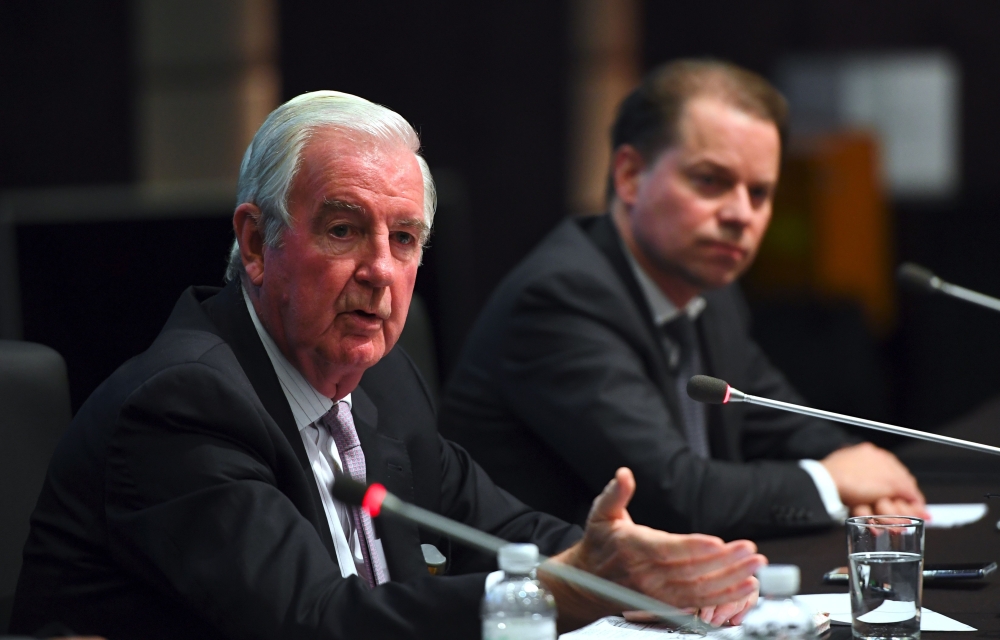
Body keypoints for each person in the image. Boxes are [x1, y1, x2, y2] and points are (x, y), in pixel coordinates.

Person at [10, 91, 766, 640]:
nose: (380, 268)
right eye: (344, 229)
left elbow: (497, 527)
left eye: (405, 239)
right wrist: (567, 590)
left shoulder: (383, 380)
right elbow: (310, 623)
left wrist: (631, 563)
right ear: (254, 243)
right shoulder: (184, 404)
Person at [438, 59, 927, 540]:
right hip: (538, 602)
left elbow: (780, 422)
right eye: (710, 180)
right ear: (629, 176)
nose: (741, 214)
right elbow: (674, 495)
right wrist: (830, 480)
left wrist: (864, 471)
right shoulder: (560, 298)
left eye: (759, 192)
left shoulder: (711, 292)